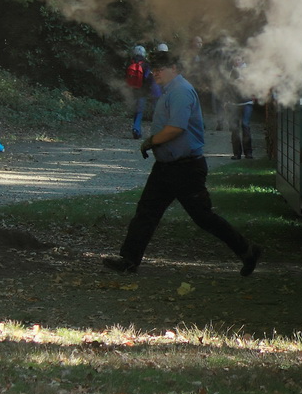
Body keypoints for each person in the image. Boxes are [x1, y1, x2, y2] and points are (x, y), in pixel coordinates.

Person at [102, 50, 263, 276]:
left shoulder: (180, 91)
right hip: (166, 167)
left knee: (204, 217)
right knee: (146, 212)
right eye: (154, 69)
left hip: (186, 168)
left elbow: (176, 128)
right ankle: (128, 260)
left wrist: (150, 141)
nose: (155, 72)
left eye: (160, 68)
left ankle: (247, 250)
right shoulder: (170, 90)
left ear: (174, 68)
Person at [227, 54, 254, 160]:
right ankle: (236, 153)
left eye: (238, 60)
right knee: (235, 127)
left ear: (242, 60)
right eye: (235, 60)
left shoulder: (248, 71)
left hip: (247, 102)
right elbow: (228, 87)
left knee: (245, 125)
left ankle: (248, 152)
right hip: (234, 103)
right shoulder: (232, 72)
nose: (236, 62)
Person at [125, 45, 150, 139]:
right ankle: (136, 129)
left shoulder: (130, 63)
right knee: (140, 111)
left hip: (133, 91)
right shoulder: (145, 65)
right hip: (142, 91)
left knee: (136, 110)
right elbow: (147, 78)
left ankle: (136, 129)